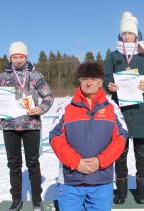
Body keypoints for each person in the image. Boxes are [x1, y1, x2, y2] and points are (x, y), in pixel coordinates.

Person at [49, 62, 128, 211]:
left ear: (100, 82)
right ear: (79, 80)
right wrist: (76, 162)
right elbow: (55, 137)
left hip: (101, 181)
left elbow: (121, 137)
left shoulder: (111, 106)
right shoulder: (66, 106)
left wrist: (100, 161)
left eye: (93, 78)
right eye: (85, 78)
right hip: (71, 181)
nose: (89, 82)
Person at [0, 41, 54, 211]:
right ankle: (16, 199)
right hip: (10, 126)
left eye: (21, 56)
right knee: (14, 164)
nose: (17, 60)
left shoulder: (36, 76)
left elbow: (48, 96)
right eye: (14, 57)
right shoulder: (2, 77)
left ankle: (37, 199)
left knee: (33, 163)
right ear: (10, 58)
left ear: (26, 57)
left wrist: (41, 108)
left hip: (31, 124)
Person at [104, 11, 144, 204]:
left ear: (137, 35)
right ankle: (121, 190)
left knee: (141, 152)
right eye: (124, 34)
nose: (127, 36)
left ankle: (142, 190)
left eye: (130, 33)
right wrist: (108, 85)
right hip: (120, 111)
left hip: (141, 110)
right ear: (120, 36)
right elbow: (106, 78)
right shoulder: (114, 55)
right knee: (119, 152)